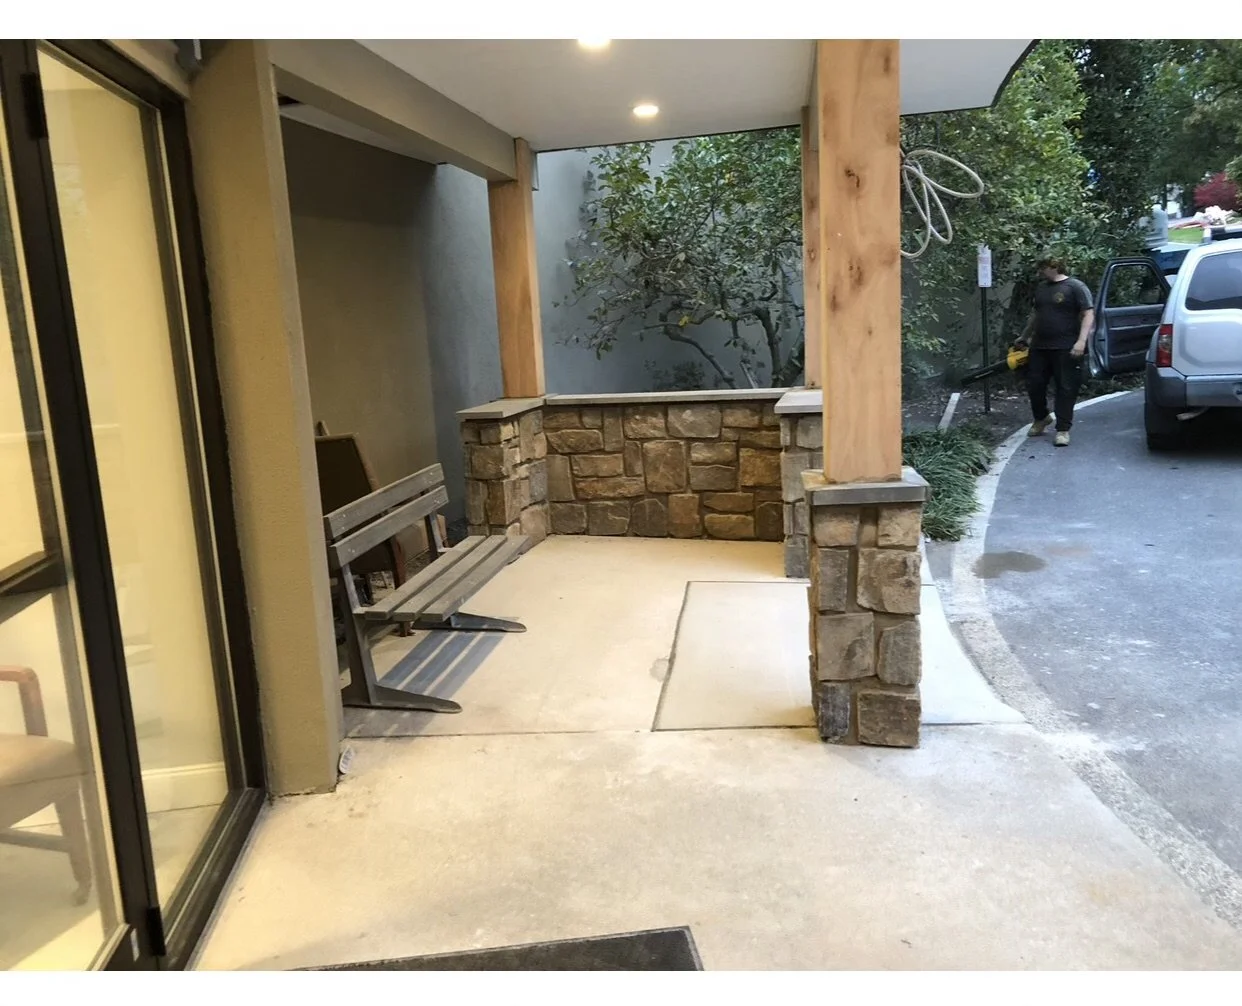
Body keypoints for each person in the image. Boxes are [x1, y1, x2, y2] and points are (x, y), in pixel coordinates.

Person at [1017, 257, 1095, 447]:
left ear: (1054, 267)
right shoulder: (1042, 288)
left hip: (1066, 347)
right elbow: (1036, 315)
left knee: (1066, 388)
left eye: (1043, 268)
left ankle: (1062, 430)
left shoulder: (1075, 287)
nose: (1041, 272)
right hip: (1039, 346)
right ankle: (1042, 418)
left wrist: (1081, 341)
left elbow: (1088, 314)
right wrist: (1025, 336)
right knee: (1034, 384)